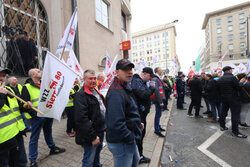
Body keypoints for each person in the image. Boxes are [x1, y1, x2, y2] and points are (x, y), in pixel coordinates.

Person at [21, 68, 65, 167]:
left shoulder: (44, 84)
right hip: (37, 117)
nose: (40, 71)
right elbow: (24, 105)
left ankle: (52, 148)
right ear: (32, 75)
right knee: (34, 137)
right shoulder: (26, 87)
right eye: (37, 71)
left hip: (48, 114)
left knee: (48, 131)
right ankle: (32, 159)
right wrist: (35, 114)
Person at [106, 59, 142, 167]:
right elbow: (116, 124)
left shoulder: (124, 87)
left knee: (135, 161)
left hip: (127, 139)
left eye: (130, 69)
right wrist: (131, 137)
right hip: (122, 142)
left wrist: (136, 124)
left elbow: (128, 112)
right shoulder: (116, 93)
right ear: (117, 72)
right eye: (125, 69)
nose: (130, 72)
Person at [0, 67, 32, 167]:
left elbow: (17, 108)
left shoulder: (8, 90)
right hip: (2, 141)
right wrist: (0, 94)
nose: (2, 78)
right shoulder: (3, 92)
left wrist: (25, 107)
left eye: (4, 76)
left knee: (20, 163)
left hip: (16, 134)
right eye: (0, 75)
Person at [74, 69, 106, 167]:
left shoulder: (95, 90)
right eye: (90, 79)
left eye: (94, 78)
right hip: (91, 133)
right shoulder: (81, 95)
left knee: (97, 154)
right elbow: (81, 119)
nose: (93, 81)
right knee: (89, 158)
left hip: (100, 129)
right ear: (84, 79)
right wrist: (93, 136)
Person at [131, 67, 155, 164]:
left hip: (141, 114)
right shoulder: (137, 81)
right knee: (139, 136)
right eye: (150, 76)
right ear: (144, 74)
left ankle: (138, 155)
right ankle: (138, 157)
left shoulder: (140, 82)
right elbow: (144, 95)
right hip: (139, 114)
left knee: (140, 135)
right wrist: (152, 88)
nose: (150, 79)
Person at [217, 66, 247, 138]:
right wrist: (241, 82)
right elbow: (238, 87)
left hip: (224, 98)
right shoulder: (232, 78)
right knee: (235, 115)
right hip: (233, 99)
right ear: (229, 70)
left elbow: (218, 89)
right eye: (231, 70)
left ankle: (222, 126)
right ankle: (235, 132)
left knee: (223, 113)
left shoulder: (220, 78)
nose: (231, 71)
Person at [151, 67, 166, 137]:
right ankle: (156, 130)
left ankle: (158, 127)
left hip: (159, 100)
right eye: (161, 70)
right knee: (158, 115)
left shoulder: (157, 78)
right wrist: (160, 102)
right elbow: (156, 91)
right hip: (158, 100)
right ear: (158, 71)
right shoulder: (155, 79)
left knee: (159, 114)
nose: (162, 71)